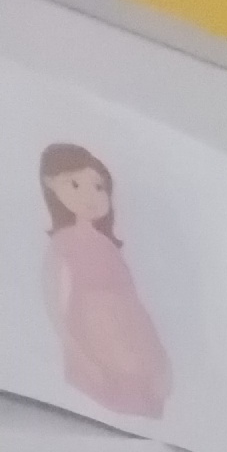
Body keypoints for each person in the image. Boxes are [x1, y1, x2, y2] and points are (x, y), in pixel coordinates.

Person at [39, 139, 169, 417]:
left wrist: (158, 355)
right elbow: (54, 301)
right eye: (75, 184)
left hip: (132, 332)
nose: (90, 196)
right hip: (95, 333)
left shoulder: (108, 246)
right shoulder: (63, 243)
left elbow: (132, 297)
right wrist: (75, 350)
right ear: (51, 185)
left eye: (99, 187)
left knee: (141, 399)